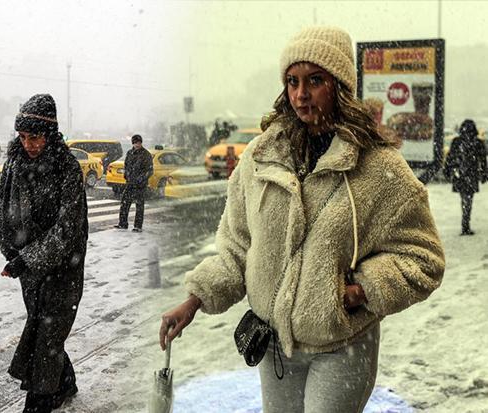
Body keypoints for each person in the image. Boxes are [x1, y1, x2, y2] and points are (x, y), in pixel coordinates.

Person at [159, 27, 445, 413]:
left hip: (342, 347)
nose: (300, 94)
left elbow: (423, 258)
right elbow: (237, 248)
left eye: (315, 80)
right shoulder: (260, 157)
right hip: (273, 346)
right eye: (292, 81)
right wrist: (194, 301)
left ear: (339, 86)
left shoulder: (380, 168)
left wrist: (361, 289)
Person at [0, 94, 88, 413]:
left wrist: (29, 257)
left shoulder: (67, 169)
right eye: (22, 137)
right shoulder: (14, 164)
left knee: (46, 339)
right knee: (43, 329)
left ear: (49, 134)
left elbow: (67, 228)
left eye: (34, 137)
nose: (28, 144)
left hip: (64, 267)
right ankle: (66, 382)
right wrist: (10, 249)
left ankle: (39, 403)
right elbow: (4, 206)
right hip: (31, 271)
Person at [444, 119, 488, 235]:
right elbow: (482, 161)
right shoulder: (478, 143)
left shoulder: (456, 142)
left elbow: (450, 158)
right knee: (468, 200)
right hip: (471, 175)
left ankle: (465, 223)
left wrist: (447, 171)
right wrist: (484, 174)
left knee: (464, 199)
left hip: (460, 174)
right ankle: (466, 224)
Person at [114, 134, 153, 232]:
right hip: (130, 183)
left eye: (139, 143)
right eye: (135, 143)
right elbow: (126, 165)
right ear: (133, 143)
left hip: (140, 185)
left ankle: (138, 226)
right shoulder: (129, 153)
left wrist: (141, 179)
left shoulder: (146, 154)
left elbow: (150, 170)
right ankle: (123, 223)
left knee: (139, 206)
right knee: (124, 203)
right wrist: (126, 175)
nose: (137, 145)